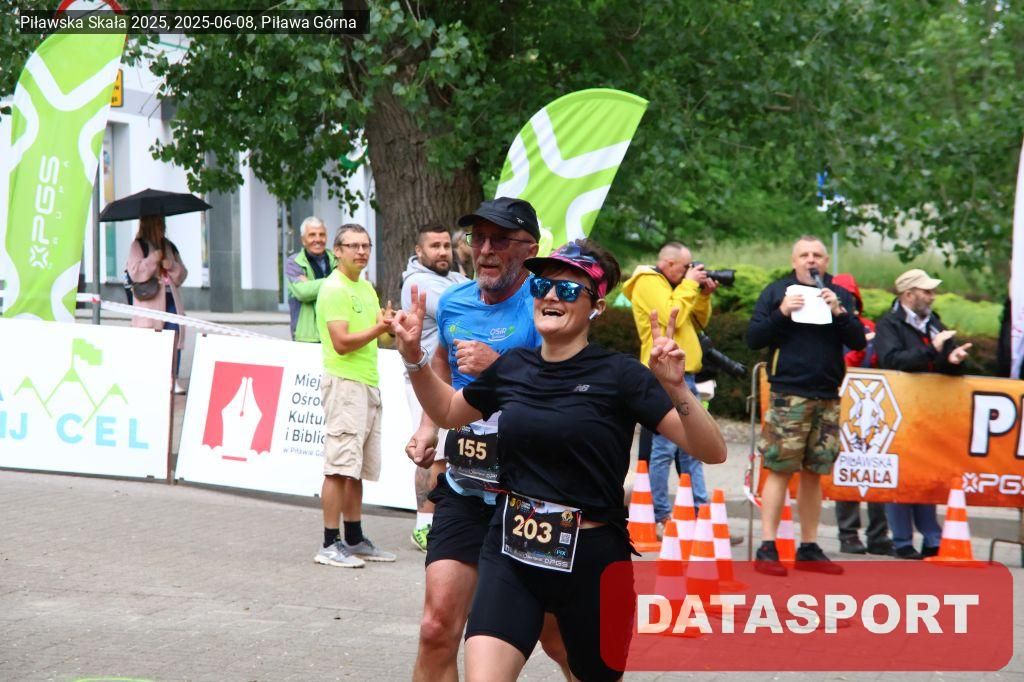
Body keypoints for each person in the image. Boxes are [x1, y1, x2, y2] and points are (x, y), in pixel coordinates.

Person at [394, 238, 727, 682]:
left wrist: (677, 388)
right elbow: (448, 413)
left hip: (591, 561)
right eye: (542, 286)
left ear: (596, 307)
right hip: (511, 550)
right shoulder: (514, 367)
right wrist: (415, 359)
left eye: (568, 290)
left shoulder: (621, 376)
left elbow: (712, 451)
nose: (551, 296)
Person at [403, 197, 569, 681]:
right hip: (466, 487)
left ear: (529, 249)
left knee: (557, 637)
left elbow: (564, 391)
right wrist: (429, 426)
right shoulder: (455, 302)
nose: (486, 250)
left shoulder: (548, 305)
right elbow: (444, 363)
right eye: (478, 239)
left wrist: (499, 367)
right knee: (436, 627)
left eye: (500, 239)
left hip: (533, 497)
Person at [746, 235, 866, 576]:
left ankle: (809, 547)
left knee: (816, 471)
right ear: (794, 260)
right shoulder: (776, 292)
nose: (811, 260)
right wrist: (782, 313)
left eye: (817, 255)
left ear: (826, 262)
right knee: (780, 468)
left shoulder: (838, 294)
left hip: (827, 395)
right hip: (790, 394)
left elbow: (858, 341)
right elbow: (753, 338)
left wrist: (840, 313)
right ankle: (768, 546)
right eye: (804, 255)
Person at [312, 224, 397, 569]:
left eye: (366, 246)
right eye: (353, 246)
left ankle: (354, 537)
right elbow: (341, 343)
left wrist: (392, 327)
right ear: (337, 251)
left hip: (367, 384)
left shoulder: (365, 287)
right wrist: (379, 328)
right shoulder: (334, 289)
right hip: (345, 385)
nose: (361, 252)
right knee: (338, 467)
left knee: (355, 468)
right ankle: (329, 543)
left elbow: (382, 339)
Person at [874, 268, 971, 559]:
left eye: (932, 291)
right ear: (908, 295)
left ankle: (931, 537)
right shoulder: (889, 324)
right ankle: (902, 540)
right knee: (900, 474)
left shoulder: (935, 323)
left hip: (930, 413)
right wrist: (932, 350)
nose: (932, 296)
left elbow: (945, 364)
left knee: (927, 472)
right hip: (898, 412)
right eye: (926, 291)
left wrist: (953, 360)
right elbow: (892, 360)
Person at [623, 242, 717, 526]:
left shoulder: (675, 287)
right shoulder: (647, 280)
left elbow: (696, 319)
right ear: (668, 263)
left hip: (685, 375)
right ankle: (659, 514)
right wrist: (690, 284)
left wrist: (703, 296)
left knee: (693, 449)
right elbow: (669, 316)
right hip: (663, 374)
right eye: (686, 267)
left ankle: (699, 514)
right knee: (664, 449)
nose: (690, 271)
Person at [401, 224, 468, 552]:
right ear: (419, 251)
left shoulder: (454, 278)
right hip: (425, 379)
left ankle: (439, 520)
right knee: (433, 454)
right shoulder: (418, 283)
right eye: (434, 246)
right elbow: (465, 309)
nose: (442, 252)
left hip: (451, 382)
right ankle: (423, 525)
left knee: (447, 454)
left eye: (446, 245)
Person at [830, 273, 892, 556]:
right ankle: (848, 534)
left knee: (876, 471)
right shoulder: (823, 325)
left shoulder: (869, 327)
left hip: (873, 410)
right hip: (838, 405)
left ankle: (879, 535)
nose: (847, 302)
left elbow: (884, 363)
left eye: (851, 298)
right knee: (847, 470)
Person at [125, 214, 189, 393]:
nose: (163, 228)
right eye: (159, 224)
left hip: (171, 299)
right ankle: (151, 377)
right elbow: (135, 272)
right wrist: (153, 259)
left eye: (163, 224)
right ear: (150, 225)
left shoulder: (169, 246)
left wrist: (172, 266)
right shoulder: (138, 246)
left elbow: (183, 274)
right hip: (150, 302)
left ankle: (173, 378)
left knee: (174, 337)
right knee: (152, 340)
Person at [285, 216, 336, 342]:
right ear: (303, 240)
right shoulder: (293, 262)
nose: (317, 239)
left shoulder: (337, 259)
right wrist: (333, 281)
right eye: (312, 235)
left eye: (321, 235)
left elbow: (345, 288)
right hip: (306, 335)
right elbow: (303, 292)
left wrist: (311, 284)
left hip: (335, 332)